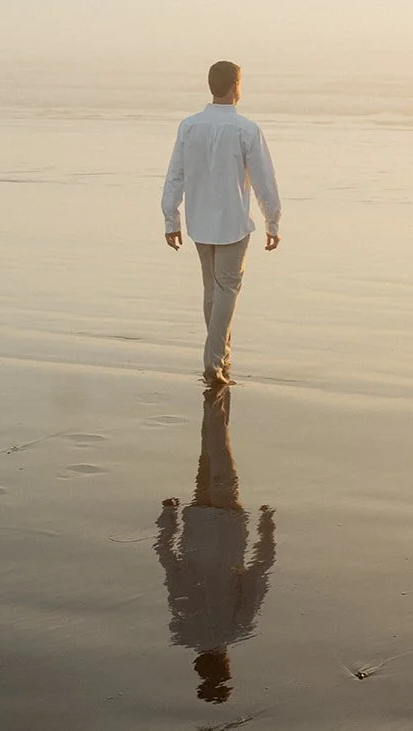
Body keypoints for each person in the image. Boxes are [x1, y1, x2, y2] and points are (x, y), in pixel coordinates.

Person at [161, 60, 282, 385]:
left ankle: (222, 356)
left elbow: (175, 175)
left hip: (199, 221)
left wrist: (170, 217)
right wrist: (273, 222)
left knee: (213, 290)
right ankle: (213, 363)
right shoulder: (246, 129)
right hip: (232, 223)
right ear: (235, 86)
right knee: (226, 289)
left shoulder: (189, 126)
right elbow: (264, 182)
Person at [155, 383, 277, 705]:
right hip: (196, 524)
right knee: (208, 452)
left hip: (227, 524)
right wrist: (169, 518)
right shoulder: (184, 626)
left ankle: (216, 390)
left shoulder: (237, 629)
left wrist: (268, 526)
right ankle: (214, 391)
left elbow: (258, 572)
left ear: (226, 666)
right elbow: (170, 566)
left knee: (219, 448)